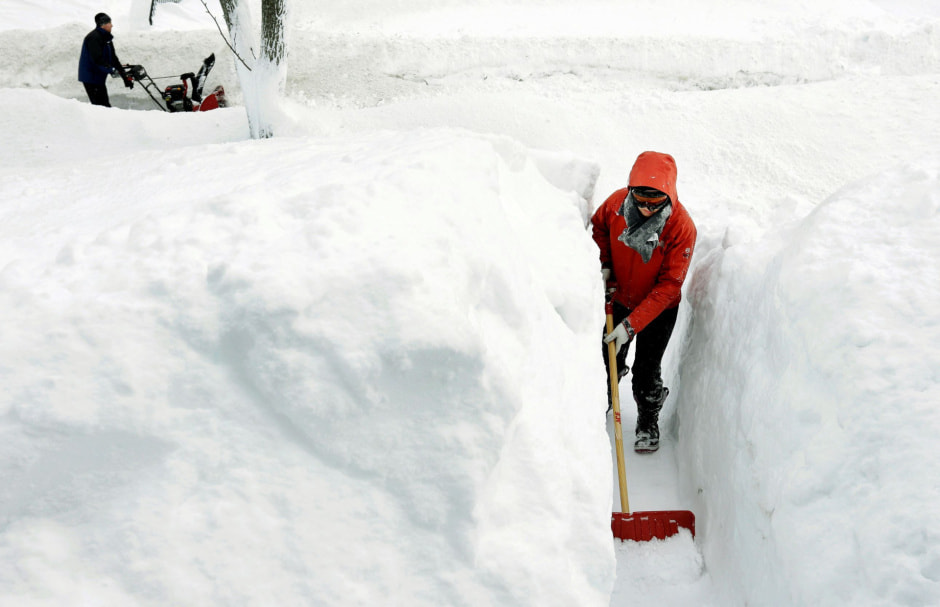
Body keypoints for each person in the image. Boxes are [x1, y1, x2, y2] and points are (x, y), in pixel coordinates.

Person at [591, 151, 696, 453]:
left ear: (669, 196)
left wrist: (631, 325)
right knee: (608, 357)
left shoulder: (681, 227)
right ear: (630, 190)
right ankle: (605, 401)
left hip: (659, 308)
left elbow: (669, 284)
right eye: (641, 200)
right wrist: (604, 265)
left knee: (647, 369)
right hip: (619, 296)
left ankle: (648, 420)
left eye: (656, 203)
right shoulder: (615, 206)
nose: (647, 209)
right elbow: (598, 228)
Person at [78, 12, 132, 107]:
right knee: (102, 107)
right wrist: (111, 70)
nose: (112, 25)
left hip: (98, 78)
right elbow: (97, 59)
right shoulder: (93, 38)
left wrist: (125, 77)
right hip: (91, 77)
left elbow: (113, 59)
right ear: (103, 25)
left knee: (103, 106)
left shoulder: (106, 38)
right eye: (110, 23)